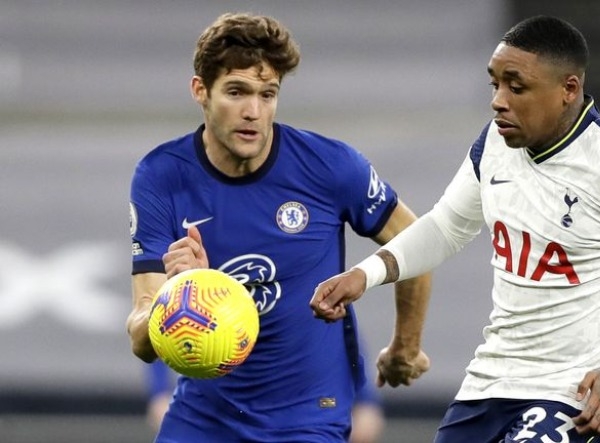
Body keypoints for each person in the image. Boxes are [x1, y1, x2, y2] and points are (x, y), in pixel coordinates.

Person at [311, 15, 600, 443]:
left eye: (516, 87)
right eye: (495, 85)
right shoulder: (495, 143)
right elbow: (447, 227)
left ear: (568, 89)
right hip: (489, 383)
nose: (498, 101)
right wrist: (365, 274)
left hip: (574, 393)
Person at [126, 12, 431, 442]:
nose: (253, 111)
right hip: (203, 417)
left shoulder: (330, 167)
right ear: (200, 91)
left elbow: (419, 244)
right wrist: (177, 295)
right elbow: (141, 341)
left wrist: (405, 346)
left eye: (267, 94)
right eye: (236, 91)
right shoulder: (161, 176)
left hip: (307, 417)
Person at [143, 359, 386, 442]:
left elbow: (336, 328)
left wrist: (366, 399)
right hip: (218, 409)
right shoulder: (212, 277)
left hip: (290, 409)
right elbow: (172, 317)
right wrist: (160, 390)